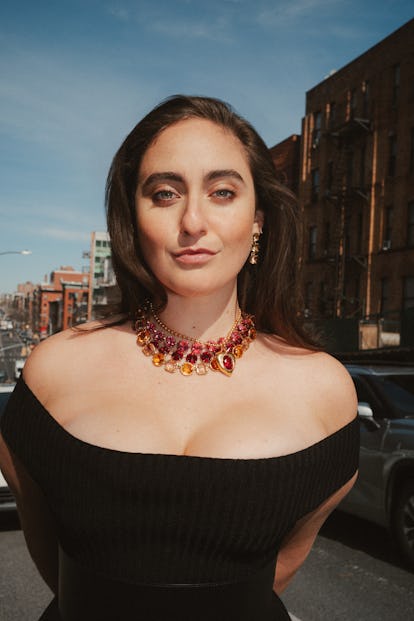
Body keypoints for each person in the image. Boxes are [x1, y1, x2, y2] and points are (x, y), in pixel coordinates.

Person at [0, 95, 359, 620]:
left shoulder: (326, 390)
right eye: (164, 194)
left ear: (257, 219)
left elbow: (277, 573)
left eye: (222, 192)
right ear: (133, 217)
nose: (193, 221)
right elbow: (50, 553)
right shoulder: (53, 370)